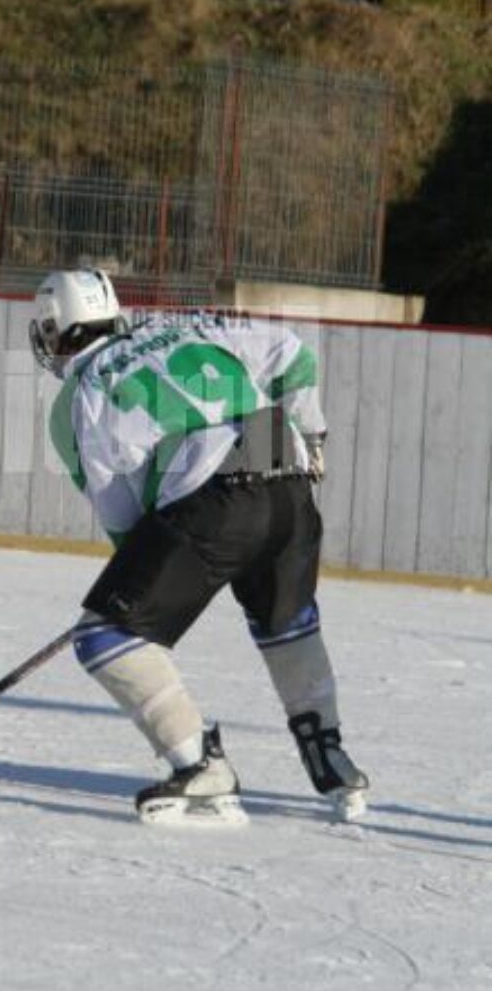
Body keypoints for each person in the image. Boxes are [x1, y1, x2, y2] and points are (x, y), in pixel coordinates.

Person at [29, 267, 368, 825]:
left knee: (105, 636)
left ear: (57, 332)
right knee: (286, 620)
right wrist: (312, 438)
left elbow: (127, 522)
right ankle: (330, 755)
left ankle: (200, 769)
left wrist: (134, 591)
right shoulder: (183, 326)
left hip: (214, 489)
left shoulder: (76, 400)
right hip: (283, 462)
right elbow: (294, 355)